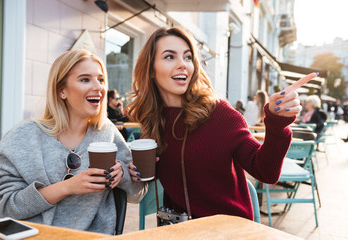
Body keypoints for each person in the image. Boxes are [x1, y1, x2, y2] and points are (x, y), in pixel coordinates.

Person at [126, 27, 302, 221]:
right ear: (151, 69)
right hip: (179, 232)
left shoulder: (220, 114)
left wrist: (277, 124)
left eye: (188, 57)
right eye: (169, 57)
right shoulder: (152, 121)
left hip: (228, 231)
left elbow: (265, 172)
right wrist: (137, 170)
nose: (182, 65)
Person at [0, 49, 146, 234]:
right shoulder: (24, 136)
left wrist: (123, 177)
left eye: (101, 80)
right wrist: (67, 187)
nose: (98, 87)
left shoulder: (107, 134)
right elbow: (1, 207)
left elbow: (137, 194)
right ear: (62, 91)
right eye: (85, 79)